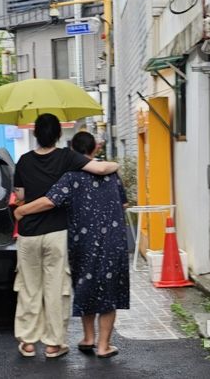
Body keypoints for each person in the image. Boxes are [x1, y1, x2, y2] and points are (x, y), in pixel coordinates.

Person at [14, 131, 129, 359]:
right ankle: (104, 346)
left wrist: (21, 210)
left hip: (82, 241)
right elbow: (123, 203)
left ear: (74, 151)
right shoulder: (112, 174)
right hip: (113, 241)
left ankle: (88, 338)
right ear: (94, 149)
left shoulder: (71, 177)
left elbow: (49, 201)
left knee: (86, 286)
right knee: (108, 291)